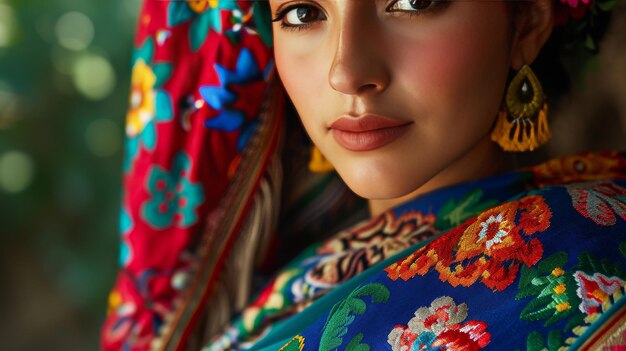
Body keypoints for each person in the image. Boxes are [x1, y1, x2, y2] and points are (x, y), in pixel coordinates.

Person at [101, 0, 626, 350]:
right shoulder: (291, 282)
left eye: (412, 1)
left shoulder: (593, 253)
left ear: (527, 25)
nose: (345, 70)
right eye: (303, 12)